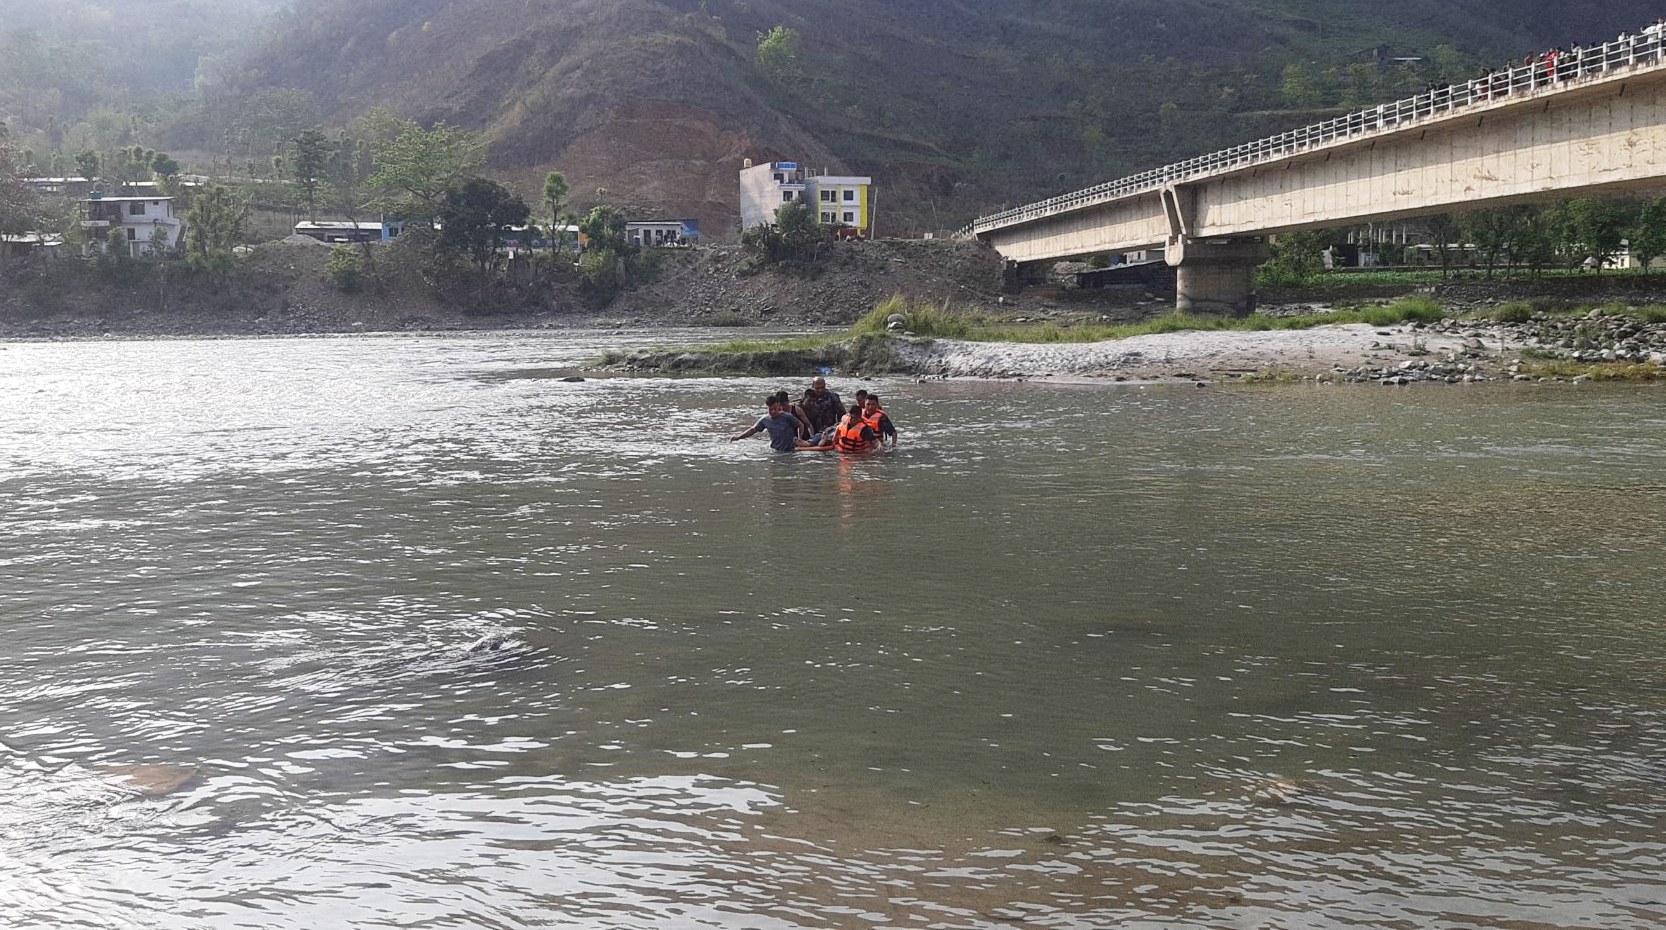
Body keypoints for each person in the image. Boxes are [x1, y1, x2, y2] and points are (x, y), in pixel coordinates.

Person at [731, 396, 830, 452]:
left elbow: (800, 424)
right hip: (776, 451)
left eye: (775, 409)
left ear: (778, 406)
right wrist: (739, 437)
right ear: (767, 408)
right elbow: (753, 430)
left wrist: (799, 437)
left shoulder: (787, 416)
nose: (773, 411)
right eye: (770, 409)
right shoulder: (765, 420)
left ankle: (821, 437)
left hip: (790, 451)